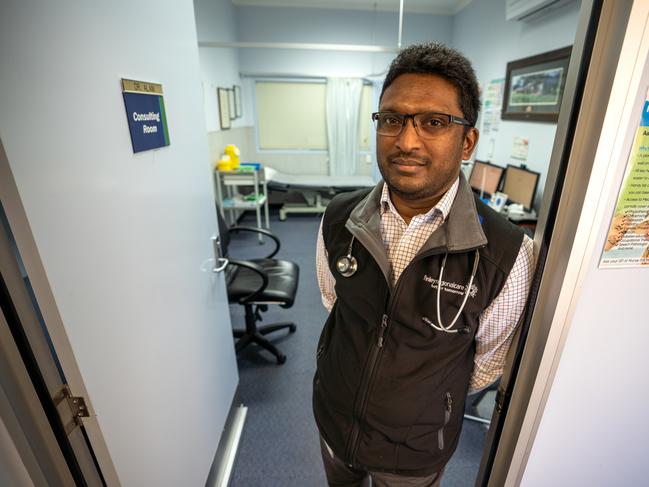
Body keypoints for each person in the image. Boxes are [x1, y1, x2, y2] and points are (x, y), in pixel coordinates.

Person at [313, 42, 534, 487]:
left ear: (467, 140)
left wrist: (424, 405)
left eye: (434, 123)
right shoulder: (338, 216)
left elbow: (486, 362)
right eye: (392, 119)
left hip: (415, 451)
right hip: (334, 424)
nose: (406, 140)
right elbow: (331, 299)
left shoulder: (506, 252)